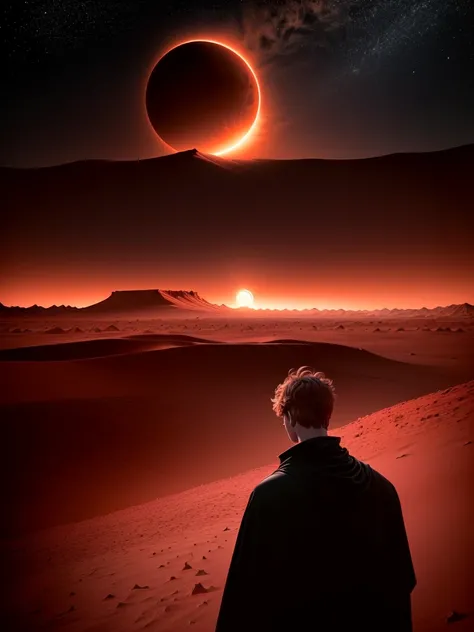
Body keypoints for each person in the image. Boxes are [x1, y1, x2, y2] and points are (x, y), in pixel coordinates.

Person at [215, 366, 416, 632]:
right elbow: (401, 583)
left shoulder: (268, 496)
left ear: (288, 418)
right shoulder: (381, 487)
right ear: (328, 415)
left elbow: (243, 599)